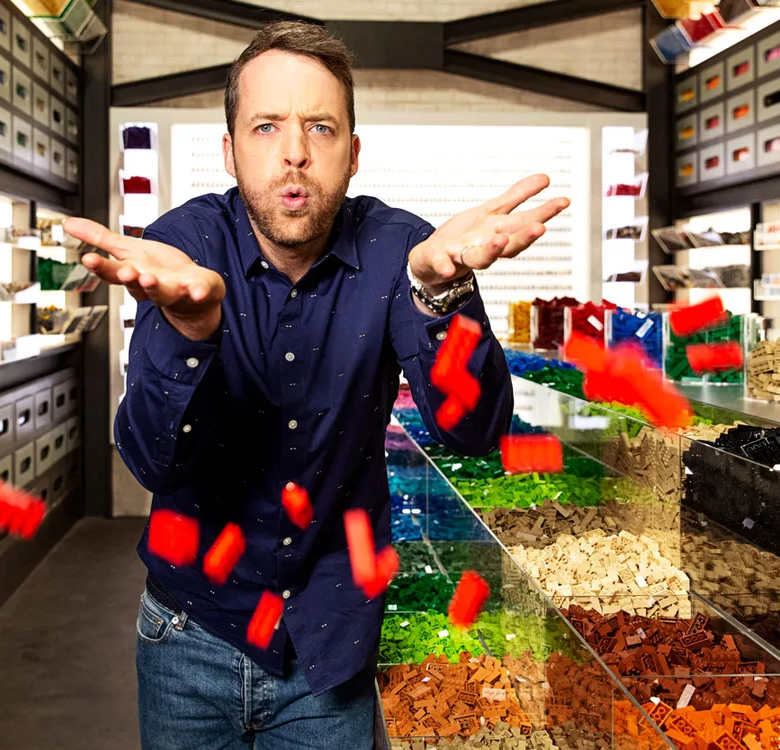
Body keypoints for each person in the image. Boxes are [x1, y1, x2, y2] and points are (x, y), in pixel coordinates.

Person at [64, 20, 569, 750]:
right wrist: (190, 332)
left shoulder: (405, 249)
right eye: (266, 126)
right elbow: (152, 463)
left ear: (353, 152)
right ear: (231, 150)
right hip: (188, 632)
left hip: (331, 647)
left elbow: (475, 431)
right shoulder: (186, 247)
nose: (294, 152)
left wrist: (437, 298)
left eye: (320, 127)